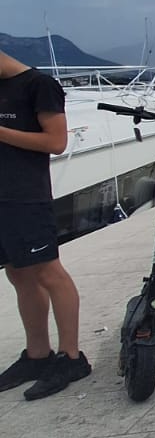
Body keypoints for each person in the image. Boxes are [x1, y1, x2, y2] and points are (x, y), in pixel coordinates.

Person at [0, 47, 91, 400]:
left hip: (26, 196)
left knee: (48, 273)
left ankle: (72, 357)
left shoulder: (39, 84)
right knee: (17, 273)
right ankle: (37, 355)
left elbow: (56, 142)